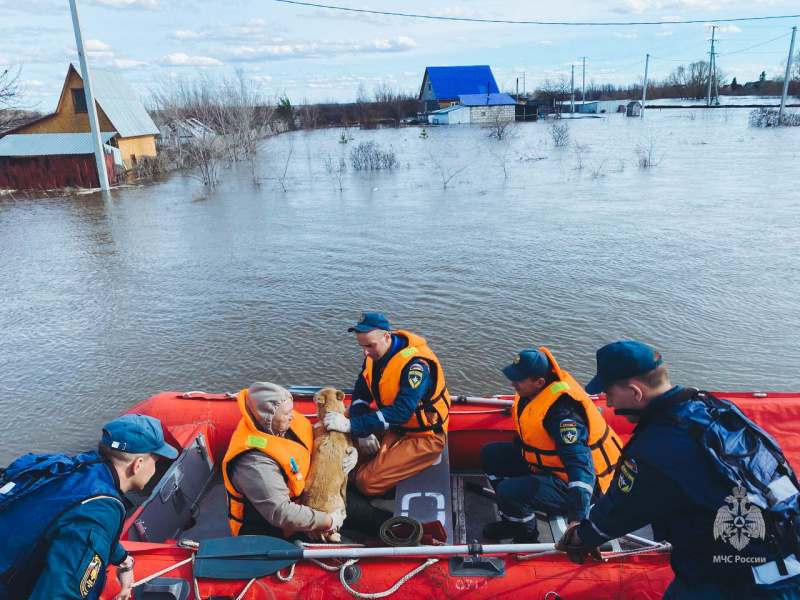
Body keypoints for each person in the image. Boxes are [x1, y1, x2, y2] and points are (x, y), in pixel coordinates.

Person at [557, 341, 800, 599]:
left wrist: (577, 539)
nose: (609, 403)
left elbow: (616, 511)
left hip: (743, 582)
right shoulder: (719, 409)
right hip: (785, 546)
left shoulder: (655, 448)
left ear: (635, 392)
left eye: (609, 393)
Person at [0, 413, 179, 600]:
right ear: (138, 464)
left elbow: (79, 527)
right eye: (156, 461)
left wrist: (124, 561)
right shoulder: (99, 511)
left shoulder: (81, 468)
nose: (155, 468)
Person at [480, 347, 623, 544]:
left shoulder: (563, 416)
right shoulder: (535, 393)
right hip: (550, 465)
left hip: (584, 485)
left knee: (509, 492)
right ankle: (511, 518)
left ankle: (526, 537)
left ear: (539, 382)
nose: (512, 383)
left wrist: (577, 519)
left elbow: (581, 466)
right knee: (491, 453)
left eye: (518, 380)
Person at [323, 313, 450, 496]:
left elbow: (402, 411)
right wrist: (362, 430)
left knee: (366, 483)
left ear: (387, 336)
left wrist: (355, 426)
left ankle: (373, 483)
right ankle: (367, 465)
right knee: (346, 420)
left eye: (370, 346)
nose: (365, 352)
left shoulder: (416, 366)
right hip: (395, 427)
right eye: (362, 347)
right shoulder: (374, 358)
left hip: (423, 435)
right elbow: (361, 395)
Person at [222, 382, 357, 539]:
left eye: (291, 409)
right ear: (268, 417)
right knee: (345, 547)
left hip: (313, 494)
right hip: (282, 529)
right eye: (287, 413)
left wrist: (350, 450)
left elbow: (316, 441)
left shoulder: (284, 423)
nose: (293, 415)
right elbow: (282, 513)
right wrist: (329, 520)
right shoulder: (254, 464)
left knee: (369, 515)